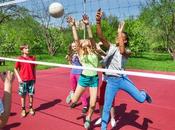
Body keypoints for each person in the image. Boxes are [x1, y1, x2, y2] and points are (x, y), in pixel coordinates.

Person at [96, 9, 152, 130]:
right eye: (118, 36)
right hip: (111, 81)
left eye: (121, 36)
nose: (118, 37)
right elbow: (100, 36)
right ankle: (103, 128)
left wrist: (120, 31)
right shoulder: (111, 47)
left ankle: (144, 93)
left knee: (141, 100)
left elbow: (122, 51)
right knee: (106, 106)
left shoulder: (128, 51)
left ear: (125, 40)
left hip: (122, 79)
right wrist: (98, 21)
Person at [67, 15, 101, 129]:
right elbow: (76, 39)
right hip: (84, 78)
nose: (85, 41)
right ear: (82, 45)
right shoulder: (81, 52)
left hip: (94, 79)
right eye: (83, 41)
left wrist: (87, 24)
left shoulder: (95, 51)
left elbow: (91, 37)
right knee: (74, 101)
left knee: (92, 104)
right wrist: (73, 26)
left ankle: (88, 118)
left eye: (87, 41)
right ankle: (72, 93)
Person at [65, 42, 88, 114]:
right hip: (72, 73)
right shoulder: (71, 54)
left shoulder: (81, 53)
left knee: (80, 90)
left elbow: (83, 63)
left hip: (79, 73)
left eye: (75, 46)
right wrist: (68, 60)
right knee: (73, 89)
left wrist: (79, 56)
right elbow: (71, 65)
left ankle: (85, 106)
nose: (74, 47)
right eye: (73, 46)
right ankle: (74, 101)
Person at [14, 44, 36, 117]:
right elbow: (15, 69)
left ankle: (30, 108)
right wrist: (19, 78)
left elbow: (34, 69)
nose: (28, 49)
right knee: (23, 95)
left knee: (31, 95)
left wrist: (34, 78)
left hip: (31, 80)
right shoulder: (19, 58)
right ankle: (23, 109)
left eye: (28, 48)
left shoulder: (32, 58)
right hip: (23, 80)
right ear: (22, 50)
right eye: (26, 48)